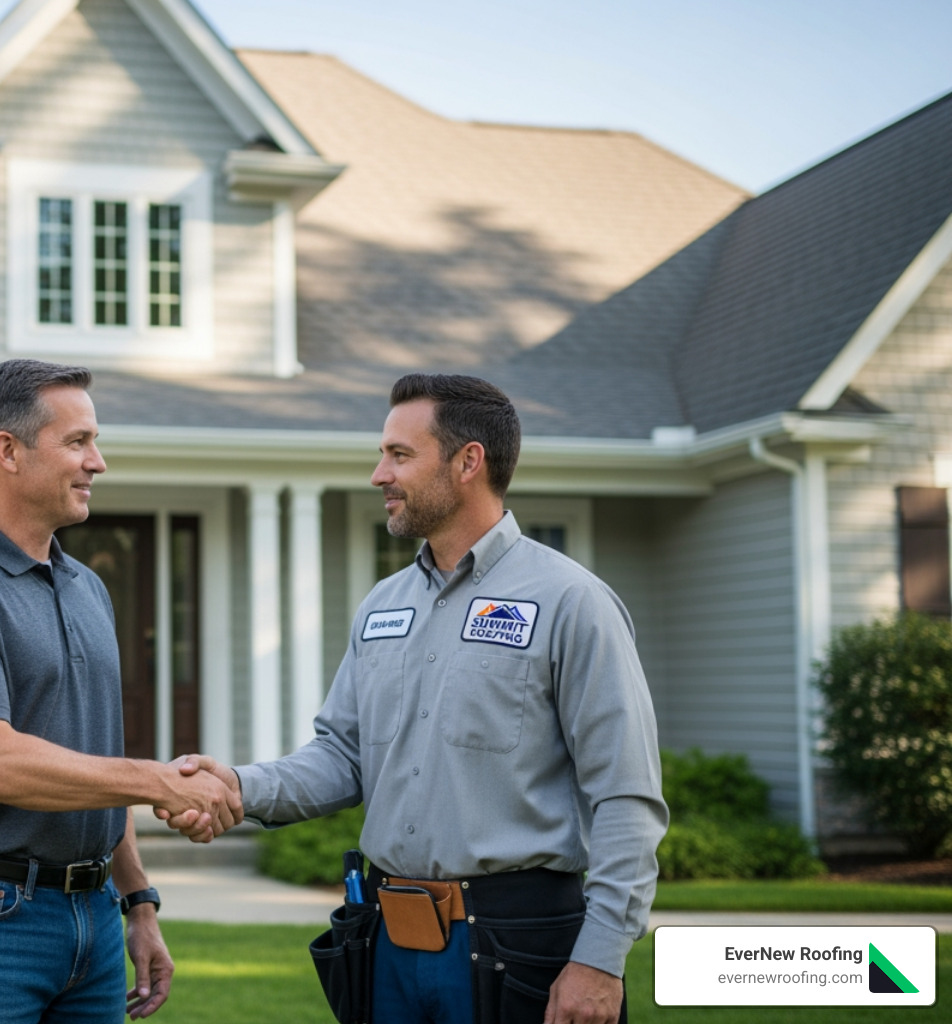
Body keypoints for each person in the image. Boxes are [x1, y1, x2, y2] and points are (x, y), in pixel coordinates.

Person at [166, 373, 666, 1024]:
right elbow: (343, 758)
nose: (379, 475)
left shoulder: (572, 602)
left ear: (467, 462)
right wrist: (236, 784)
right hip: (387, 943)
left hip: (517, 943)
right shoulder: (382, 605)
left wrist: (600, 959)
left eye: (399, 455)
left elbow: (625, 796)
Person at [0, 359, 241, 1024]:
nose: (97, 462)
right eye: (77, 442)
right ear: (8, 451)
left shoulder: (87, 587)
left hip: (95, 919)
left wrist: (138, 902)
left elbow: (94, 760)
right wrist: (160, 781)